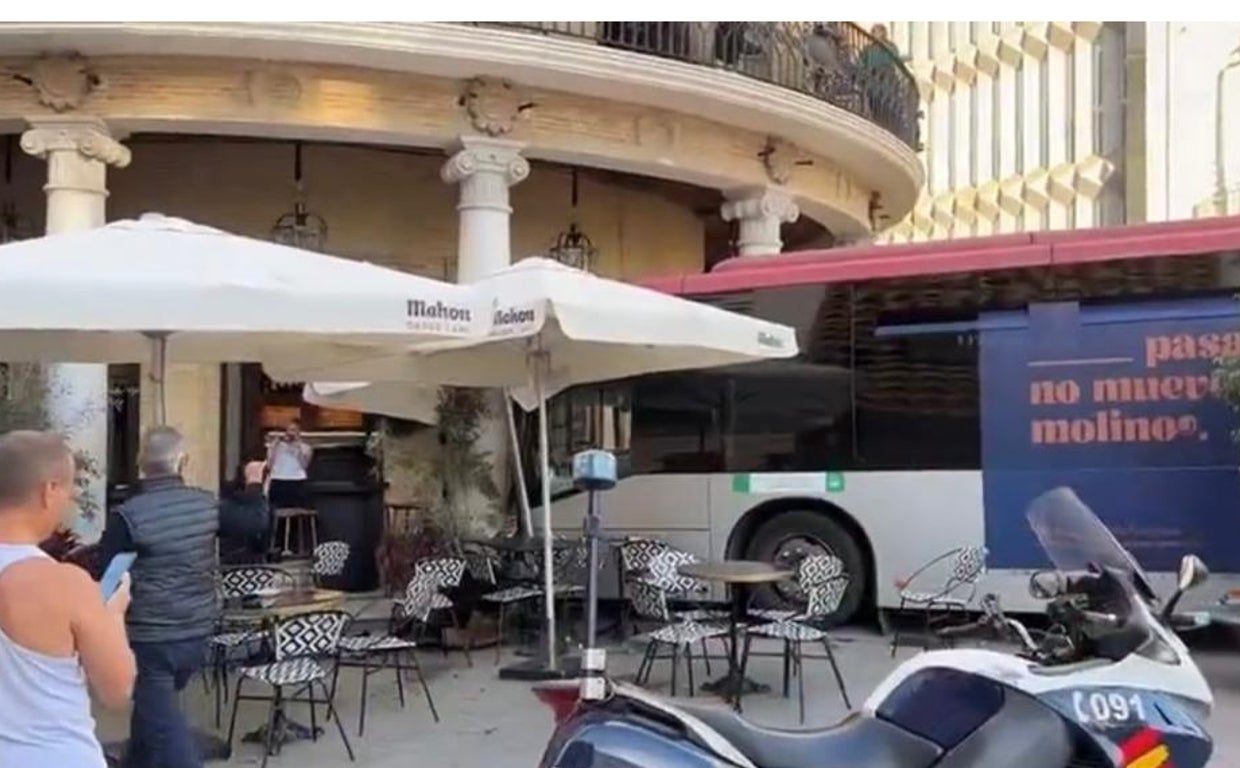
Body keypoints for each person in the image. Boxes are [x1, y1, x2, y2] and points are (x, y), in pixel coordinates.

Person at [97, 427, 266, 768]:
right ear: (182, 462)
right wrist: (253, 482)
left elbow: (109, 581)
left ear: (141, 464)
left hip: (152, 638)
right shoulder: (206, 504)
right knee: (153, 713)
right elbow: (256, 524)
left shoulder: (128, 516)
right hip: (198, 633)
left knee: (167, 730)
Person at [0, 430, 135, 767]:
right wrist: (114, 616)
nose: (72, 499)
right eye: (70, 487)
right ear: (49, 490)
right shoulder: (66, 585)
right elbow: (116, 691)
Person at [266, 418, 312, 509]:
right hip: (278, 479)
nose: (290, 433)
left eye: (293, 430)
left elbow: (305, 465)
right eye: (287, 430)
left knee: (297, 509)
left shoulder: (305, 447)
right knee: (276, 510)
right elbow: (269, 465)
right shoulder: (275, 446)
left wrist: (297, 448)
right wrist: (274, 448)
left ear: (299, 432)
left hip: (297, 481)